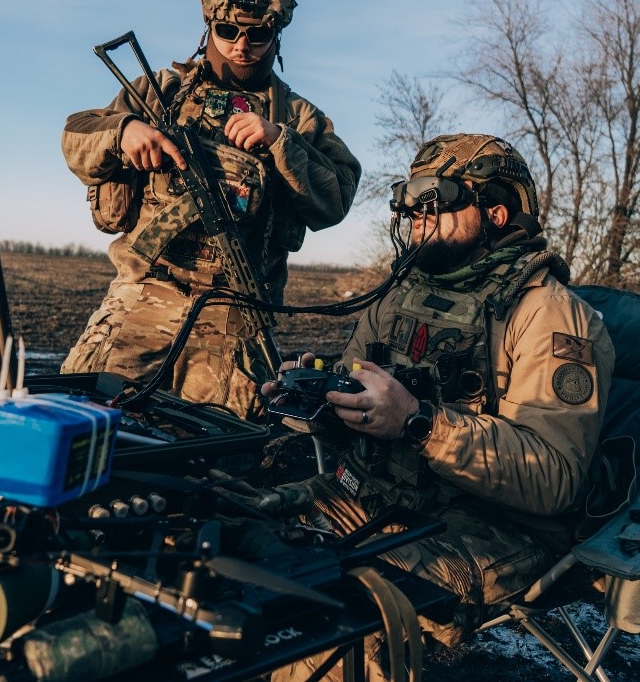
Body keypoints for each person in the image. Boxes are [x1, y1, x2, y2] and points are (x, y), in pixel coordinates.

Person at [263, 134, 615, 681]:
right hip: (377, 496)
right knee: (243, 540)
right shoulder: (396, 298)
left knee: (335, 629)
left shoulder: (550, 315)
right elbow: (360, 403)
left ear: (495, 212)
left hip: (493, 529)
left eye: (436, 205)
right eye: (410, 205)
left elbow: (555, 477)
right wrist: (315, 397)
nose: (416, 218)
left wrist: (420, 424)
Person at [60, 0, 361, 420]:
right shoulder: (162, 91)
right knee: (83, 431)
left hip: (237, 320)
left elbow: (337, 195)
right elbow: (76, 136)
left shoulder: (299, 117)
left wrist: (281, 142)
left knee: (217, 463)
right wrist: (123, 131)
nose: (242, 47)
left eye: (257, 36)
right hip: (141, 300)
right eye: (228, 31)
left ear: (276, 36)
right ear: (208, 28)